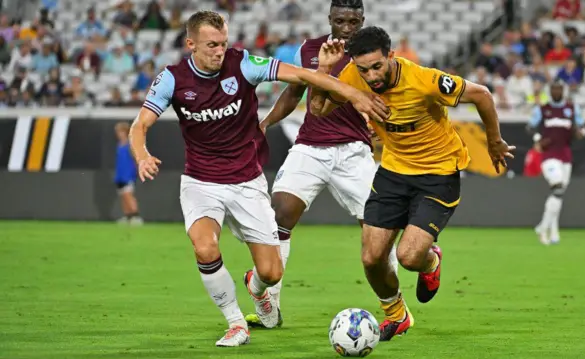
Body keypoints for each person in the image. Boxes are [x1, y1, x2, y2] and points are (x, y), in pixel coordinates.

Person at [128, 11, 387, 348]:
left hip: (246, 183)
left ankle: (259, 290)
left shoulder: (245, 64)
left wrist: (354, 94)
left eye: (223, 44)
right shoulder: (172, 79)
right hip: (200, 182)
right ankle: (235, 323)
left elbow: (302, 76)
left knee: (271, 272)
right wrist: (142, 154)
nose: (220, 51)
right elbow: (139, 125)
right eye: (211, 45)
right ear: (190, 44)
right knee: (205, 246)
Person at [310, 26, 515, 341]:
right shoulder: (352, 75)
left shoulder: (424, 80)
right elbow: (318, 109)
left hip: (438, 174)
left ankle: (431, 259)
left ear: (391, 56)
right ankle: (397, 315)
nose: (371, 76)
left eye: (377, 66)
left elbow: (482, 95)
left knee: (408, 257)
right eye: (364, 69)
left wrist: (495, 141)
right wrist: (324, 70)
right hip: (393, 173)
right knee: (371, 257)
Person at [245, 0, 398, 329]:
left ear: (362, 19)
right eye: (340, 19)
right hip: (310, 148)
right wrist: (265, 123)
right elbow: (294, 91)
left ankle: (394, 311)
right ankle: (267, 302)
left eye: (353, 20)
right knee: (279, 216)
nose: (347, 26)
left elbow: (392, 95)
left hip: (354, 152)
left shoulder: (371, 55)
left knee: (380, 232)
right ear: (330, 18)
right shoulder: (310, 49)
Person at [527, 80, 585, 245]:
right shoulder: (543, 109)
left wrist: (581, 132)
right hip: (549, 156)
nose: (556, 92)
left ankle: (553, 232)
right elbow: (530, 127)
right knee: (558, 188)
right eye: (553, 89)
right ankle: (543, 227)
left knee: (558, 195)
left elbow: (582, 127)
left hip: (565, 156)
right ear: (549, 90)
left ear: (564, 90)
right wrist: (538, 139)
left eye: (559, 89)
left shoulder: (572, 108)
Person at [114, 122, 143, 225]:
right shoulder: (119, 145)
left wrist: (136, 171)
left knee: (128, 196)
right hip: (120, 175)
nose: (118, 134)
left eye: (120, 131)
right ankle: (128, 216)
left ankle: (136, 216)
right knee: (123, 196)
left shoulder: (130, 144)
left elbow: (136, 159)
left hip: (128, 175)